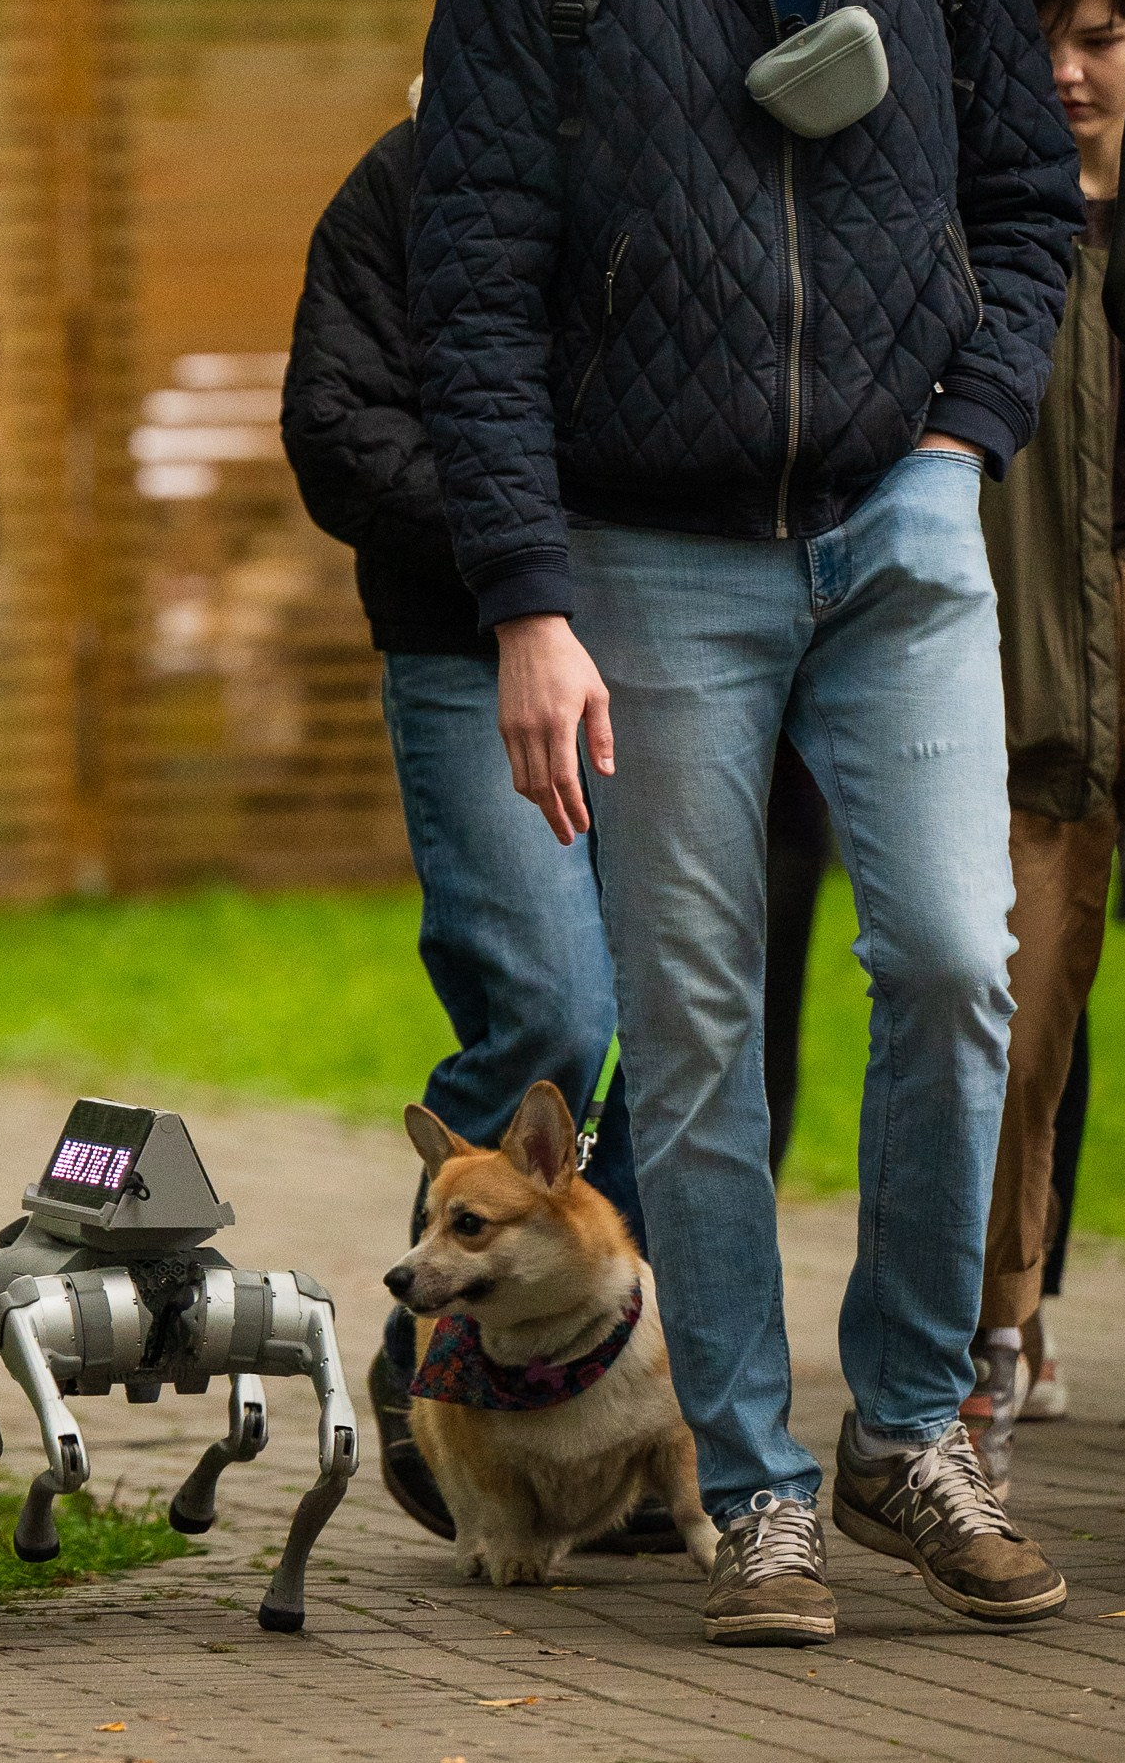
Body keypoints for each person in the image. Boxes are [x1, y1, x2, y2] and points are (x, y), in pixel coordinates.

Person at [410, 0, 1080, 1646]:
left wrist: (970, 432)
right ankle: (759, 1486)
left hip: (903, 525)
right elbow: (472, 289)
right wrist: (527, 598)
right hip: (653, 561)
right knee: (695, 1047)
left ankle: (906, 1435)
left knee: (962, 963)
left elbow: (1027, 194)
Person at [282, 80, 644, 1544]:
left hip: (683, 642)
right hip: (464, 640)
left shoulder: (683, 157)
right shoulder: (403, 184)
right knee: (554, 1010)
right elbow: (335, 426)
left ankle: (630, 1414)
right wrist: (522, 543)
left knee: (687, 1038)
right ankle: (444, 1350)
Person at [966, 0, 1125, 1481]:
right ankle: (996, 1318)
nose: (1073, 69)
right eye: (1046, 36)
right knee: (1019, 1011)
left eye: (1103, 37)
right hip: (1029, 657)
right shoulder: (983, 222)